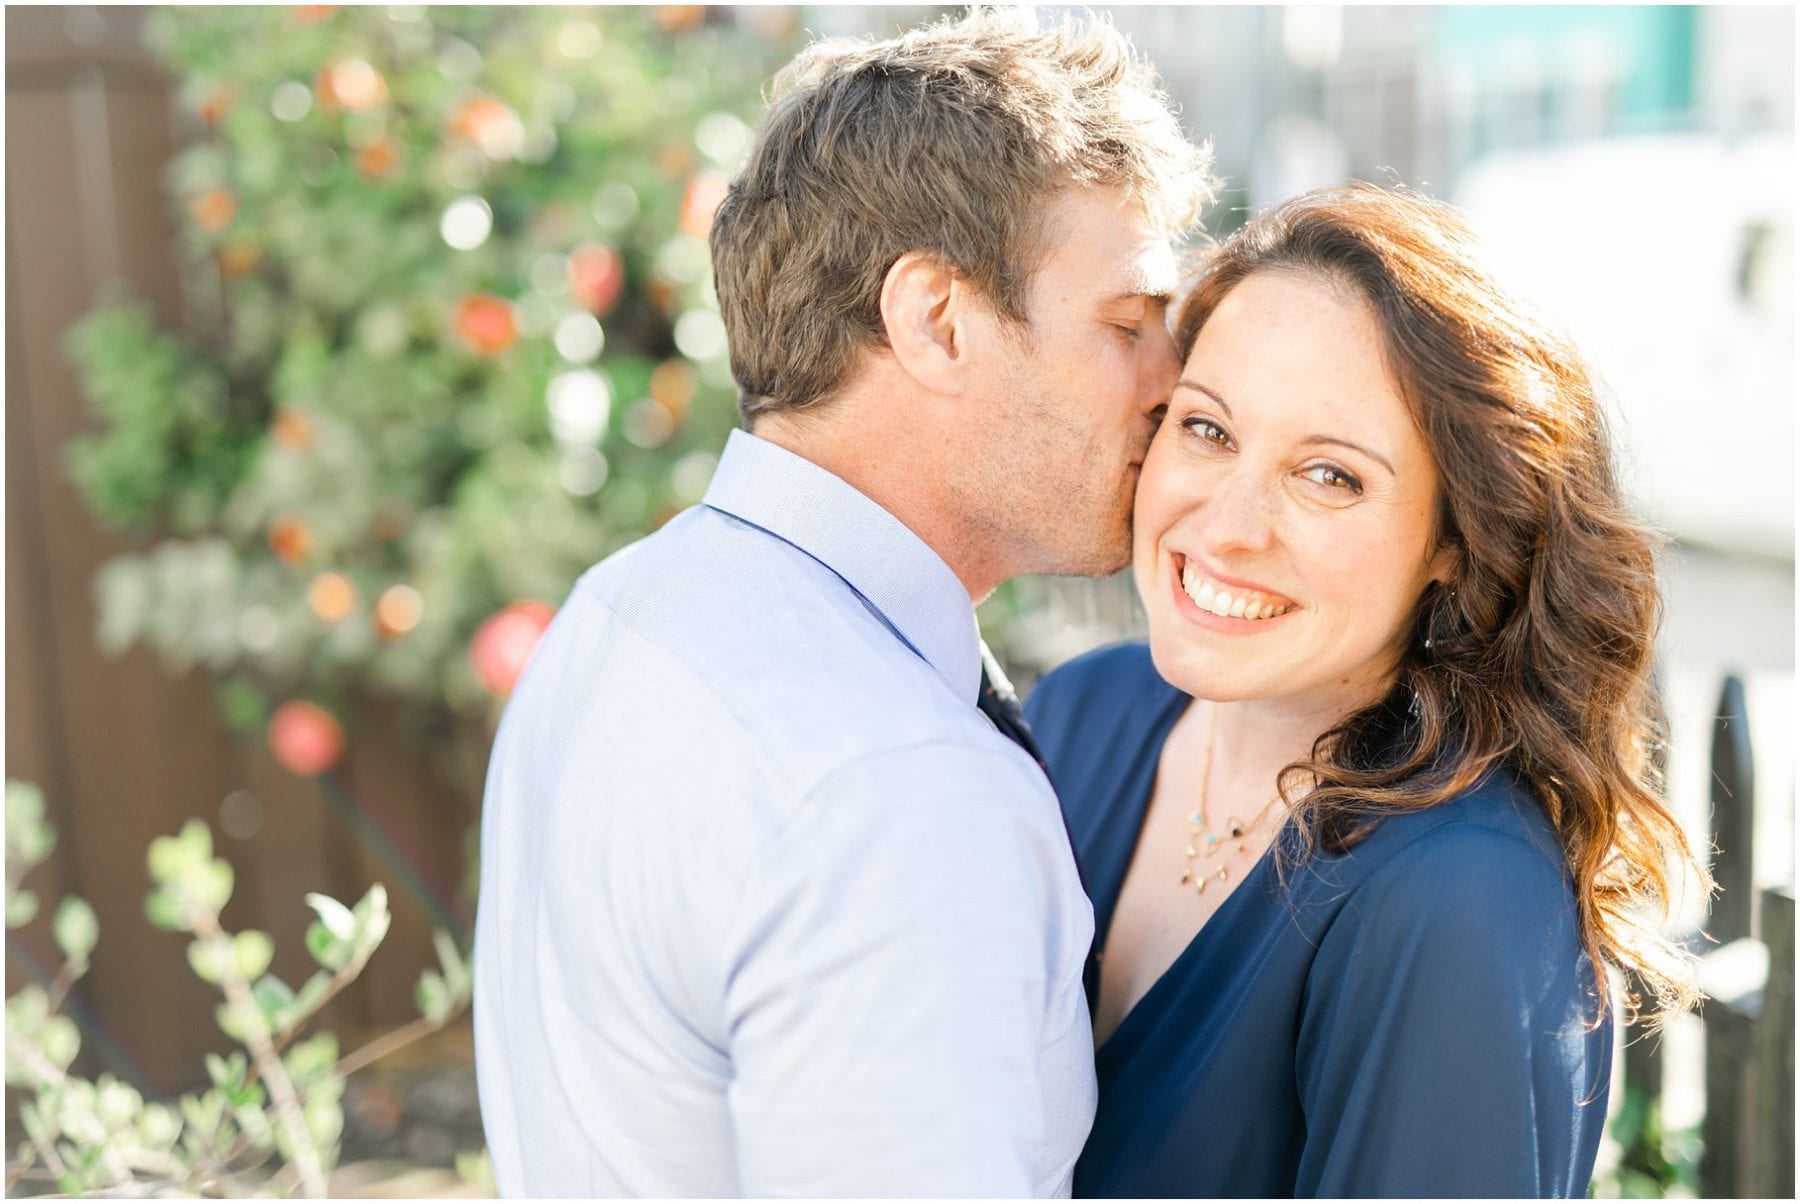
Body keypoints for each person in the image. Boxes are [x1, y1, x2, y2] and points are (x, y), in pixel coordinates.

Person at [471, 10, 1213, 1197]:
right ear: (935, 320)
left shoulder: (621, 614)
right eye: (1126, 325)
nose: (1171, 387)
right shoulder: (893, 782)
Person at [1025, 184, 1710, 1198]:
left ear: (1452, 541)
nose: (1227, 526)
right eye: (1208, 429)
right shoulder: (1079, 715)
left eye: (1330, 476)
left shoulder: (1454, 897)